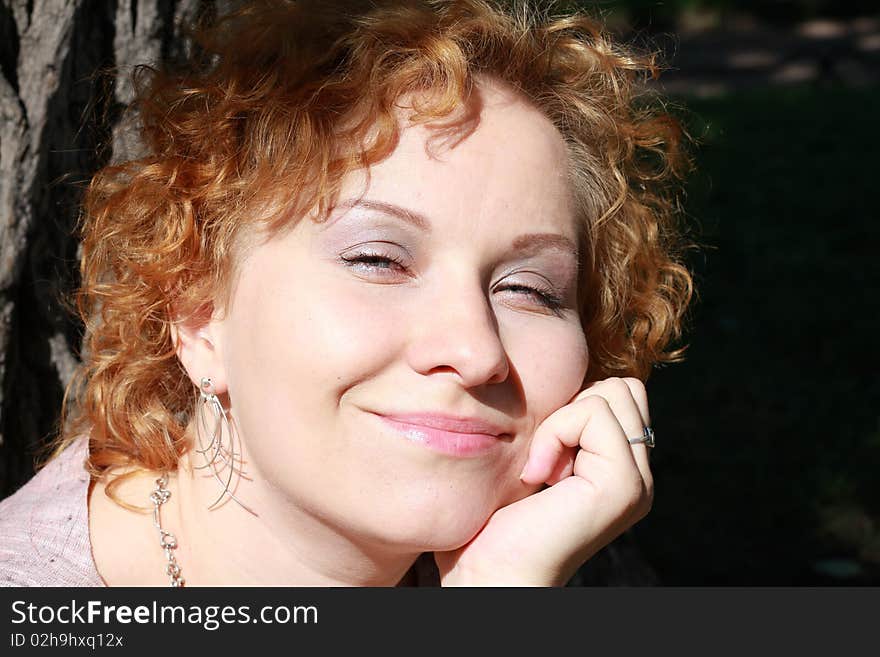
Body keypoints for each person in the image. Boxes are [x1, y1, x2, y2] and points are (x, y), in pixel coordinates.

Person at [0, 0, 693, 587]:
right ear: (199, 312)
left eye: (530, 289)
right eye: (378, 259)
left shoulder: (534, 552)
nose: (476, 350)